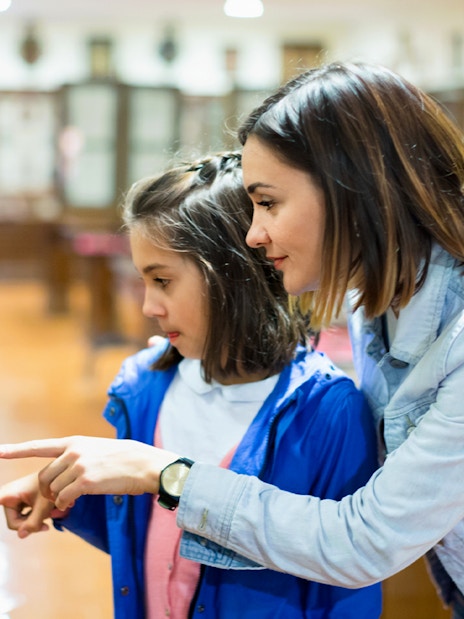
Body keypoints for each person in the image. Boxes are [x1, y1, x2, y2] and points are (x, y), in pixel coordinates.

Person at [0, 152, 381, 618]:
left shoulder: (328, 410)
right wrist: (66, 499)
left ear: (234, 276)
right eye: (144, 282)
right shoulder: (144, 385)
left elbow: (346, 580)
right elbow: (150, 533)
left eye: (163, 281)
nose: (148, 307)